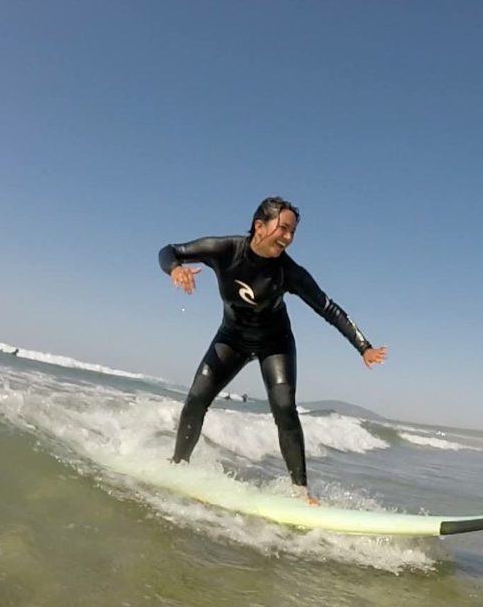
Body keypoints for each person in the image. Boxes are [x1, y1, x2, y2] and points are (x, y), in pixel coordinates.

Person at [158, 196, 387, 505]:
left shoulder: (289, 272)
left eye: (293, 232)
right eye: (284, 229)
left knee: (284, 408)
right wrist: (174, 269)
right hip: (231, 339)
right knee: (196, 400)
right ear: (259, 226)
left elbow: (329, 309)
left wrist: (364, 347)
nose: (288, 238)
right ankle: (177, 467)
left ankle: (301, 493)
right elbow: (170, 250)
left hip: (274, 344)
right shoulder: (224, 250)